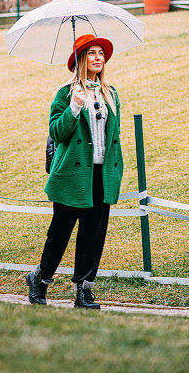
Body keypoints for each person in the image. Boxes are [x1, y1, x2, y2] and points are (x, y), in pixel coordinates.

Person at [26, 33, 123, 309]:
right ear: (81, 59)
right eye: (92, 53)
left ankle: (84, 292)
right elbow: (57, 132)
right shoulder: (66, 93)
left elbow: (114, 136)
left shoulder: (110, 94)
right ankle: (40, 280)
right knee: (60, 233)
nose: (98, 58)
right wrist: (74, 107)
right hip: (72, 176)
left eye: (101, 54)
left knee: (93, 237)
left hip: (101, 175)